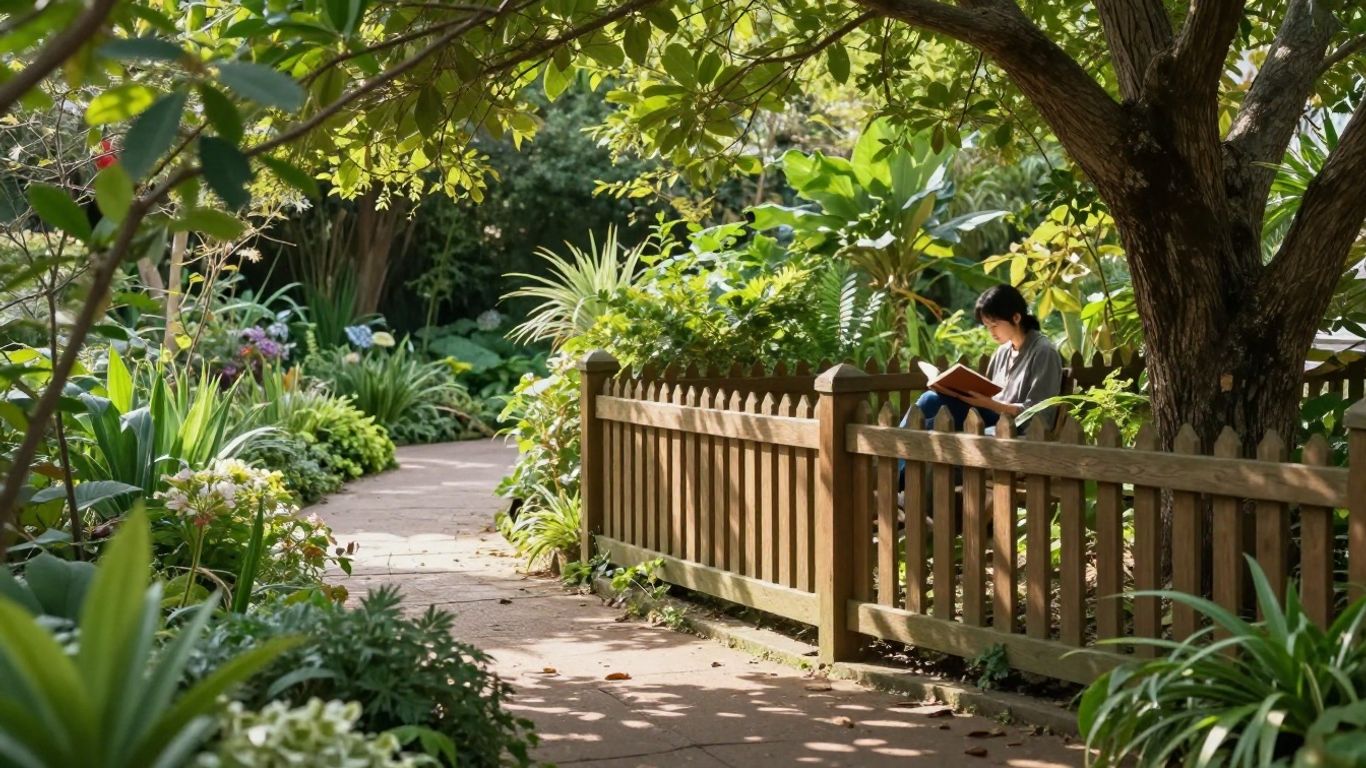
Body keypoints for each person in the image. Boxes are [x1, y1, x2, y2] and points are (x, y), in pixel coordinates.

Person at [907, 284, 1063, 434]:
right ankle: (898, 451)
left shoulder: (1043, 352)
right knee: (930, 402)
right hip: (991, 418)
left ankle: (895, 451)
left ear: (1016, 317)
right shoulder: (1002, 352)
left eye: (994, 325)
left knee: (927, 423)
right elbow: (988, 394)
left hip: (1015, 426)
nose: (991, 332)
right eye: (987, 326)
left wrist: (989, 404)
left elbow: (1040, 412)